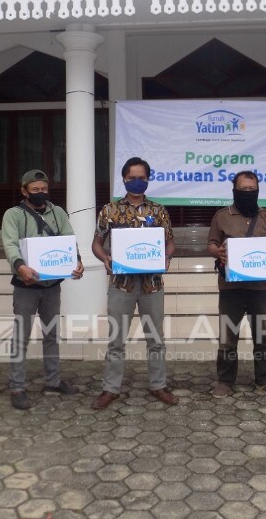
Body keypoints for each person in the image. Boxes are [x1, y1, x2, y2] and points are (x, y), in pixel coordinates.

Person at [91, 157, 177, 410]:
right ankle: (110, 388)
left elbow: (170, 241)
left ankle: (158, 385)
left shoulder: (159, 210)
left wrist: (167, 257)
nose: (137, 182)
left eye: (141, 177)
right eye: (132, 177)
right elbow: (96, 242)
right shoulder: (110, 210)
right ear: (124, 179)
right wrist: (104, 257)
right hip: (121, 284)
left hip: (152, 285)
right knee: (116, 339)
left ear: (148, 179)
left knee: (156, 339)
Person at [1, 169, 84, 409]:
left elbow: (69, 239)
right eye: (35, 190)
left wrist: (76, 261)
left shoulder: (57, 213)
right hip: (25, 285)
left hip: (51, 286)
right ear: (24, 191)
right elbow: (9, 243)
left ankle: (53, 380)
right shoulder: (13, 215)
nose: (40, 193)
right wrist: (20, 266)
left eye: (44, 189)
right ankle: (17, 387)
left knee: (51, 334)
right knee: (21, 337)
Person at [207, 171, 266, 398]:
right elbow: (211, 243)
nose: (248, 193)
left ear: (257, 190)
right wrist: (217, 251)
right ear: (234, 191)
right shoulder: (222, 216)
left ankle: (265, 379)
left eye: (252, 189)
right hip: (230, 288)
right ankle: (225, 381)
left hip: (259, 288)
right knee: (228, 336)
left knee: (263, 335)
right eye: (243, 189)